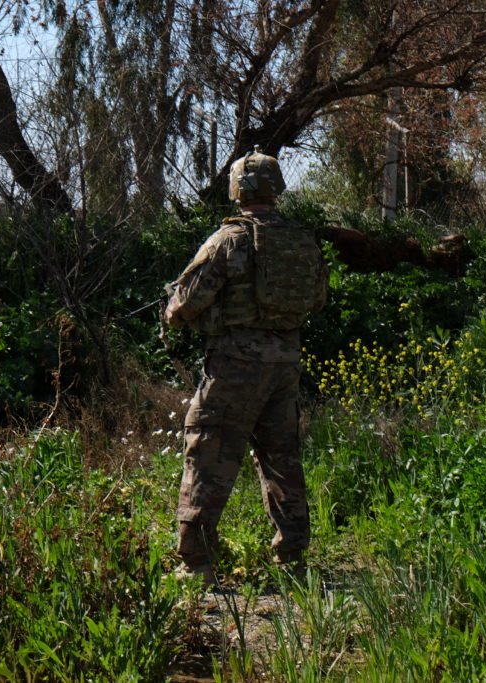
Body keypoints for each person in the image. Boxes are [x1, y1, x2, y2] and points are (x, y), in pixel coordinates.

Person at [164, 146, 328, 584]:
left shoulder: (229, 240)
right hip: (285, 366)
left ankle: (197, 563)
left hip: (234, 367)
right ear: (276, 188)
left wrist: (173, 309)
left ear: (237, 190)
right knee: (281, 459)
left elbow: (185, 304)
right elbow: (317, 299)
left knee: (209, 452)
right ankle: (293, 557)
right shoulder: (301, 240)